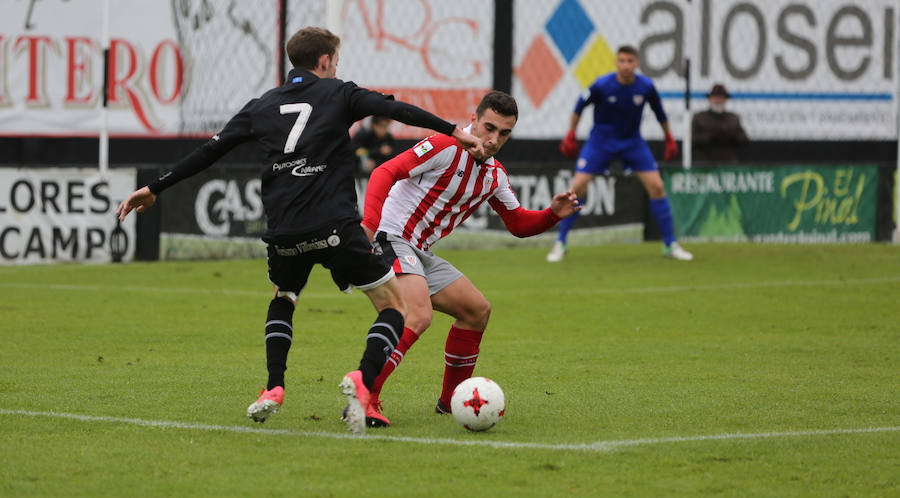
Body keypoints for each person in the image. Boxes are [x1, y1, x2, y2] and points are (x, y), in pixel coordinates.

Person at [115, 27, 483, 435]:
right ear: (325, 61)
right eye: (336, 61)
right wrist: (454, 131)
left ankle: (274, 387)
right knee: (395, 306)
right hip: (337, 228)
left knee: (284, 297)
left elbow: (209, 152)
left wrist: (153, 188)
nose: (337, 67)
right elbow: (395, 110)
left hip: (284, 232)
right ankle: (363, 377)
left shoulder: (261, 106)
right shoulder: (339, 93)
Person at [359, 90, 581, 427]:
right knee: (417, 314)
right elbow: (383, 173)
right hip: (391, 237)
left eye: (504, 133)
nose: (493, 140)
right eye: (489, 128)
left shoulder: (494, 175)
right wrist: (370, 226)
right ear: (473, 120)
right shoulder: (444, 146)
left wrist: (551, 214)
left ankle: (450, 402)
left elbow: (518, 224)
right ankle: (366, 396)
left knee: (476, 310)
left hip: (421, 251)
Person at [550, 45, 693, 262]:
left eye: (630, 61)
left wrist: (669, 137)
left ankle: (670, 244)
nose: (626, 65)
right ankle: (560, 242)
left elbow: (659, 112)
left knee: (657, 186)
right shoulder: (602, 85)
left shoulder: (645, 86)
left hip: (632, 142)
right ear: (616, 63)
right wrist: (571, 133)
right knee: (577, 187)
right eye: (622, 61)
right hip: (600, 142)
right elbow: (579, 106)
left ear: (636, 63)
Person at [692, 84, 748, 163]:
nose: (718, 100)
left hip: (727, 163)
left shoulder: (733, 118)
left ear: (725, 99)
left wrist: (730, 135)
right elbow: (693, 139)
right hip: (705, 163)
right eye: (715, 97)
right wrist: (711, 136)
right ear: (710, 99)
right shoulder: (699, 117)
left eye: (721, 97)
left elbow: (744, 139)